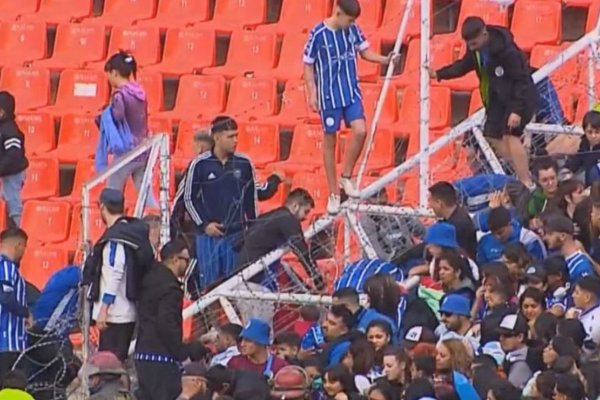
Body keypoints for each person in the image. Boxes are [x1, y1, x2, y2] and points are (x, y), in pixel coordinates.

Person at [303, 0, 399, 214]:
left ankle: (346, 177)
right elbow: (307, 64)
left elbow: (365, 52)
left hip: (350, 92)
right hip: (329, 96)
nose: (352, 23)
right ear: (338, 12)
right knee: (330, 141)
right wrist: (312, 93)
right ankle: (333, 193)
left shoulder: (353, 29)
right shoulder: (318, 34)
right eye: (350, 19)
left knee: (360, 130)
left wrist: (386, 59)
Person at [430, 16, 538, 188]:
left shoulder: (506, 51)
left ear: (484, 34)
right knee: (490, 134)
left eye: (473, 44)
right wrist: (439, 74)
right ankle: (521, 167)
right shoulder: (476, 50)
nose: (471, 48)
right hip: (497, 99)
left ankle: (526, 182)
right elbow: (463, 66)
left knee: (511, 134)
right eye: (469, 45)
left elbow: (522, 80)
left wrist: (516, 110)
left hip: (520, 97)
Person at [183, 115, 257, 291]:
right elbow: (188, 198)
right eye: (230, 136)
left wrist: (252, 230)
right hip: (209, 237)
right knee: (209, 288)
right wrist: (204, 224)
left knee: (236, 287)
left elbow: (251, 200)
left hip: (237, 236)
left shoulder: (244, 163)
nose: (235, 140)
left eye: (236, 136)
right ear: (216, 137)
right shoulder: (199, 164)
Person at [171, 131, 283, 244]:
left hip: (221, 234)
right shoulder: (196, 169)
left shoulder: (199, 169)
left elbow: (179, 203)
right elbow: (262, 191)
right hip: (208, 235)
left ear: (200, 148)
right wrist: (275, 178)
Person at [83, 188, 155, 362]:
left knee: (109, 365)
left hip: (115, 314)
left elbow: (115, 272)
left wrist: (103, 310)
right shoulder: (130, 232)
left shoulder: (115, 238)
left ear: (102, 207)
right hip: (125, 309)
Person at [135, 240, 208, 400]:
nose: (187, 265)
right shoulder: (170, 288)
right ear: (175, 259)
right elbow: (167, 323)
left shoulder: (149, 279)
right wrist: (181, 352)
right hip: (161, 358)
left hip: (142, 353)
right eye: (186, 260)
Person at [95, 51, 157, 206]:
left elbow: (118, 116)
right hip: (143, 148)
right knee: (146, 193)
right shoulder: (140, 92)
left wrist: (104, 116)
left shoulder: (120, 95)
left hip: (126, 152)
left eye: (108, 74)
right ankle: (160, 220)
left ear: (114, 73)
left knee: (112, 192)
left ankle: (113, 224)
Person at [235, 188, 324, 290]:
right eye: (305, 212)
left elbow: (239, 242)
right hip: (251, 281)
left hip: (241, 276)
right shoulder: (287, 219)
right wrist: (317, 278)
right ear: (295, 206)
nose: (305, 218)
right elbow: (301, 250)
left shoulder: (269, 216)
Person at [0, 228, 28, 384]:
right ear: (19, 245)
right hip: (7, 342)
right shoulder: (6, 266)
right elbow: (5, 297)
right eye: (24, 247)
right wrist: (25, 313)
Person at [477, 206, 546, 264]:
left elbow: (539, 266)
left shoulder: (528, 238)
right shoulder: (484, 242)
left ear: (510, 224)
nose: (497, 237)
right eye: (493, 233)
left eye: (500, 233)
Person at [427, 182, 477, 259]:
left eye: (430, 201)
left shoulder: (457, 226)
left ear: (439, 203)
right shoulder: (456, 216)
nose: (428, 206)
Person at [0, 92, 28, 227]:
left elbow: (14, 155)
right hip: (6, 173)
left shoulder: (9, 130)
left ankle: (19, 227)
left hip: (13, 174)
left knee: (13, 201)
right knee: (6, 199)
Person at [543, 213, 595, 283]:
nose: (545, 238)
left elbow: (587, 293)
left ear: (563, 236)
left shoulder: (582, 266)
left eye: (550, 234)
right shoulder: (558, 260)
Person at [497, 314, 535, 389]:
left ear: (520, 337)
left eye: (506, 335)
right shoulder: (511, 355)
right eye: (500, 335)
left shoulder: (522, 363)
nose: (501, 339)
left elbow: (510, 393)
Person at [564, 110, 600, 186]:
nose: (593, 136)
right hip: (588, 185)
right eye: (590, 132)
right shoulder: (585, 144)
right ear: (584, 131)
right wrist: (568, 168)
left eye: (597, 132)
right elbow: (579, 157)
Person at [571, 275, 600, 351]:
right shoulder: (579, 311)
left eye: (577, 292)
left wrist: (570, 323)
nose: (573, 295)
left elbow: (586, 354)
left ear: (587, 297)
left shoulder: (594, 324)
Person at [528, 157, 560, 223]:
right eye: (545, 180)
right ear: (538, 181)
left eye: (553, 178)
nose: (550, 183)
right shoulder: (534, 201)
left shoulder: (568, 192)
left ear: (557, 176)